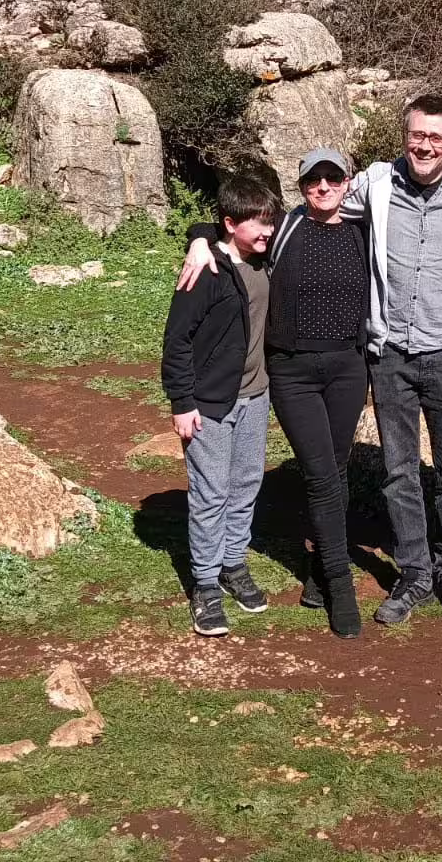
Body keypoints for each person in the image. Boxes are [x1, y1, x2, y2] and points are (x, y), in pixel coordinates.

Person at [182, 94, 442, 627]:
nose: (426, 145)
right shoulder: (373, 185)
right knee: (399, 472)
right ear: (405, 136)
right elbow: (289, 216)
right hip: (390, 354)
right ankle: (415, 571)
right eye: (418, 135)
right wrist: (203, 236)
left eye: (437, 138)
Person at [182, 148, 371, 637]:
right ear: (302, 183)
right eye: (313, 179)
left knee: (334, 466)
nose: (323, 186)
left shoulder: (364, 228)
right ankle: (338, 580)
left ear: (348, 182)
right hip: (291, 371)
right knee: (318, 470)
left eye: (333, 178)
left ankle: (314, 569)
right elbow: (233, 228)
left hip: (349, 367)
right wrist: (199, 239)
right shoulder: (283, 230)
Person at [161, 175, 280, 637]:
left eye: (270, 222)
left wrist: (199, 233)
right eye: (258, 224)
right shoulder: (205, 271)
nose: (267, 231)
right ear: (231, 223)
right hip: (209, 403)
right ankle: (206, 585)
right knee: (211, 493)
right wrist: (181, 401)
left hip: (256, 395)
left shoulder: (263, 258)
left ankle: (234, 565)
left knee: (246, 483)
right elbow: (177, 341)